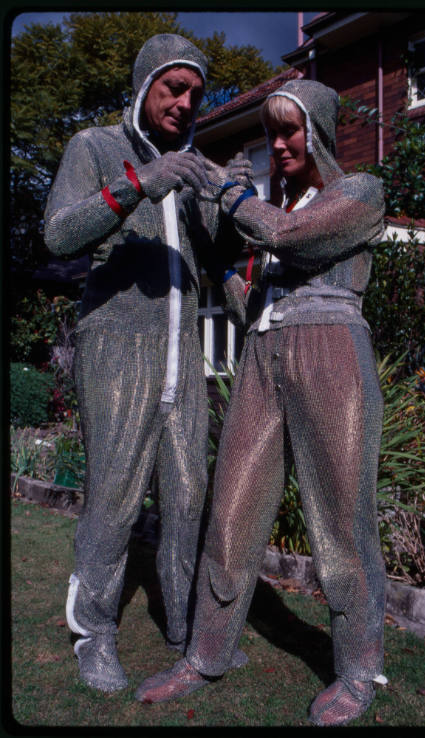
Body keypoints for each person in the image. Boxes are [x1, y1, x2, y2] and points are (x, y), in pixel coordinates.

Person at [135, 78, 387, 727]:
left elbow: (291, 235)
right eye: (271, 132)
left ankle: (359, 671)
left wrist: (233, 194)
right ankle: (205, 655)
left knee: (340, 524)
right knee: (232, 513)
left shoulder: (358, 193)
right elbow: (255, 294)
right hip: (261, 356)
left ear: (320, 131)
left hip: (330, 355)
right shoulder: (281, 203)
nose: (278, 144)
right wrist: (219, 249)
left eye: (289, 129)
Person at [44, 33, 248, 693]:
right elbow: (58, 235)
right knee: (115, 499)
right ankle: (94, 633)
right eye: (173, 88)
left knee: (188, 497)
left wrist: (228, 206)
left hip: (182, 352)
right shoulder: (95, 147)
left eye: (195, 93)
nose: (186, 103)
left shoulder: (191, 168)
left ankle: (183, 626)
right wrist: (137, 182)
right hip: (116, 341)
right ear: (144, 85)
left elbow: (214, 261)